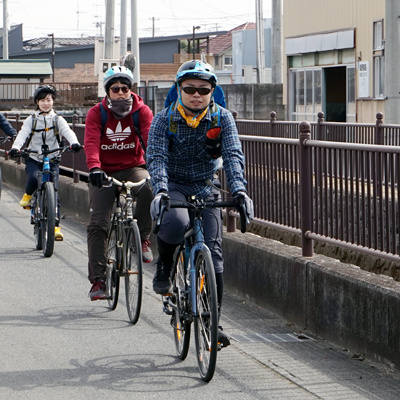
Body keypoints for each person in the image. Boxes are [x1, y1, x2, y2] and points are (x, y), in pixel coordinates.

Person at [146, 60, 254, 348]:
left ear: (212, 92)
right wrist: (160, 191)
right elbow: (156, 158)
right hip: (174, 184)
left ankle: (212, 321)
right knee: (176, 223)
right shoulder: (163, 119)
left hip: (206, 186)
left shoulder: (222, 118)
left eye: (203, 90)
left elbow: (232, 155)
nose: (197, 94)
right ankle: (166, 265)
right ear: (179, 89)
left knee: (214, 254)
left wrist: (240, 192)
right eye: (190, 88)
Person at [84, 65, 154, 301]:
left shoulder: (142, 111)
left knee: (149, 188)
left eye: (125, 88)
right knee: (98, 224)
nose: (121, 93)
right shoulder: (97, 113)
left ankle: (143, 238)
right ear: (108, 92)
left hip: (133, 167)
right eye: (116, 89)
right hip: (102, 172)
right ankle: (98, 280)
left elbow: (149, 141)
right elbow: (91, 142)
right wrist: (94, 167)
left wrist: (155, 165)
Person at [9, 84, 82, 240]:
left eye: (48, 100)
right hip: (34, 157)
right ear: (37, 102)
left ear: (53, 101)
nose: (46, 103)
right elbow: (22, 135)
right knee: (35, 178)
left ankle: (55, 226)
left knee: (54, 190)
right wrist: (16, 148)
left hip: (53, 158)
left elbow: (68, 132)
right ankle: (28, 195)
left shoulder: (58, 119)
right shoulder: (32, 119)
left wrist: (74, 143)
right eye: (42, 100)